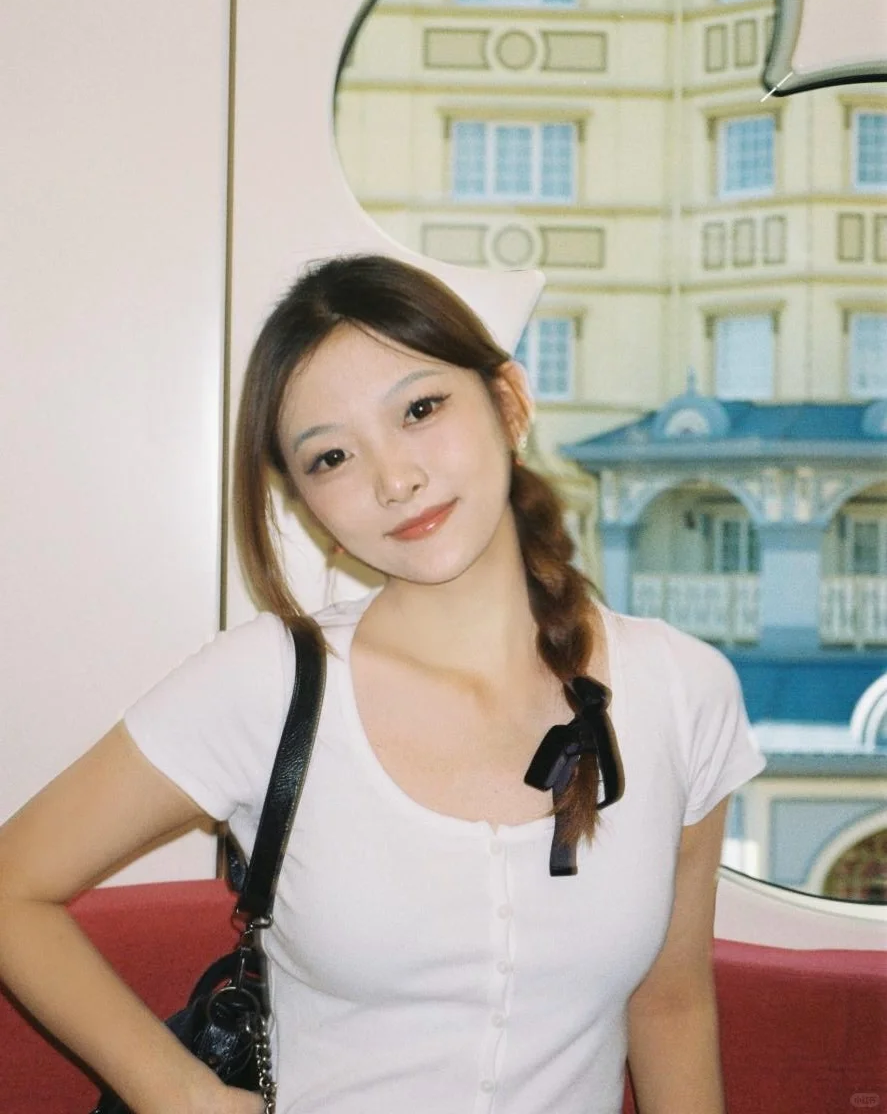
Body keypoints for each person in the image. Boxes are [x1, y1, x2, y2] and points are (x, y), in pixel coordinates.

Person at [0, 254, 765, 1114]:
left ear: (509, 402)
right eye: (331, 456)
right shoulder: (266, 686)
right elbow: (11, 888)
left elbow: (669, 1005)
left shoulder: (682, 692)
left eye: (420, 410)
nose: (395, 479)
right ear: (306, 506)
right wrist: (177, 1093)